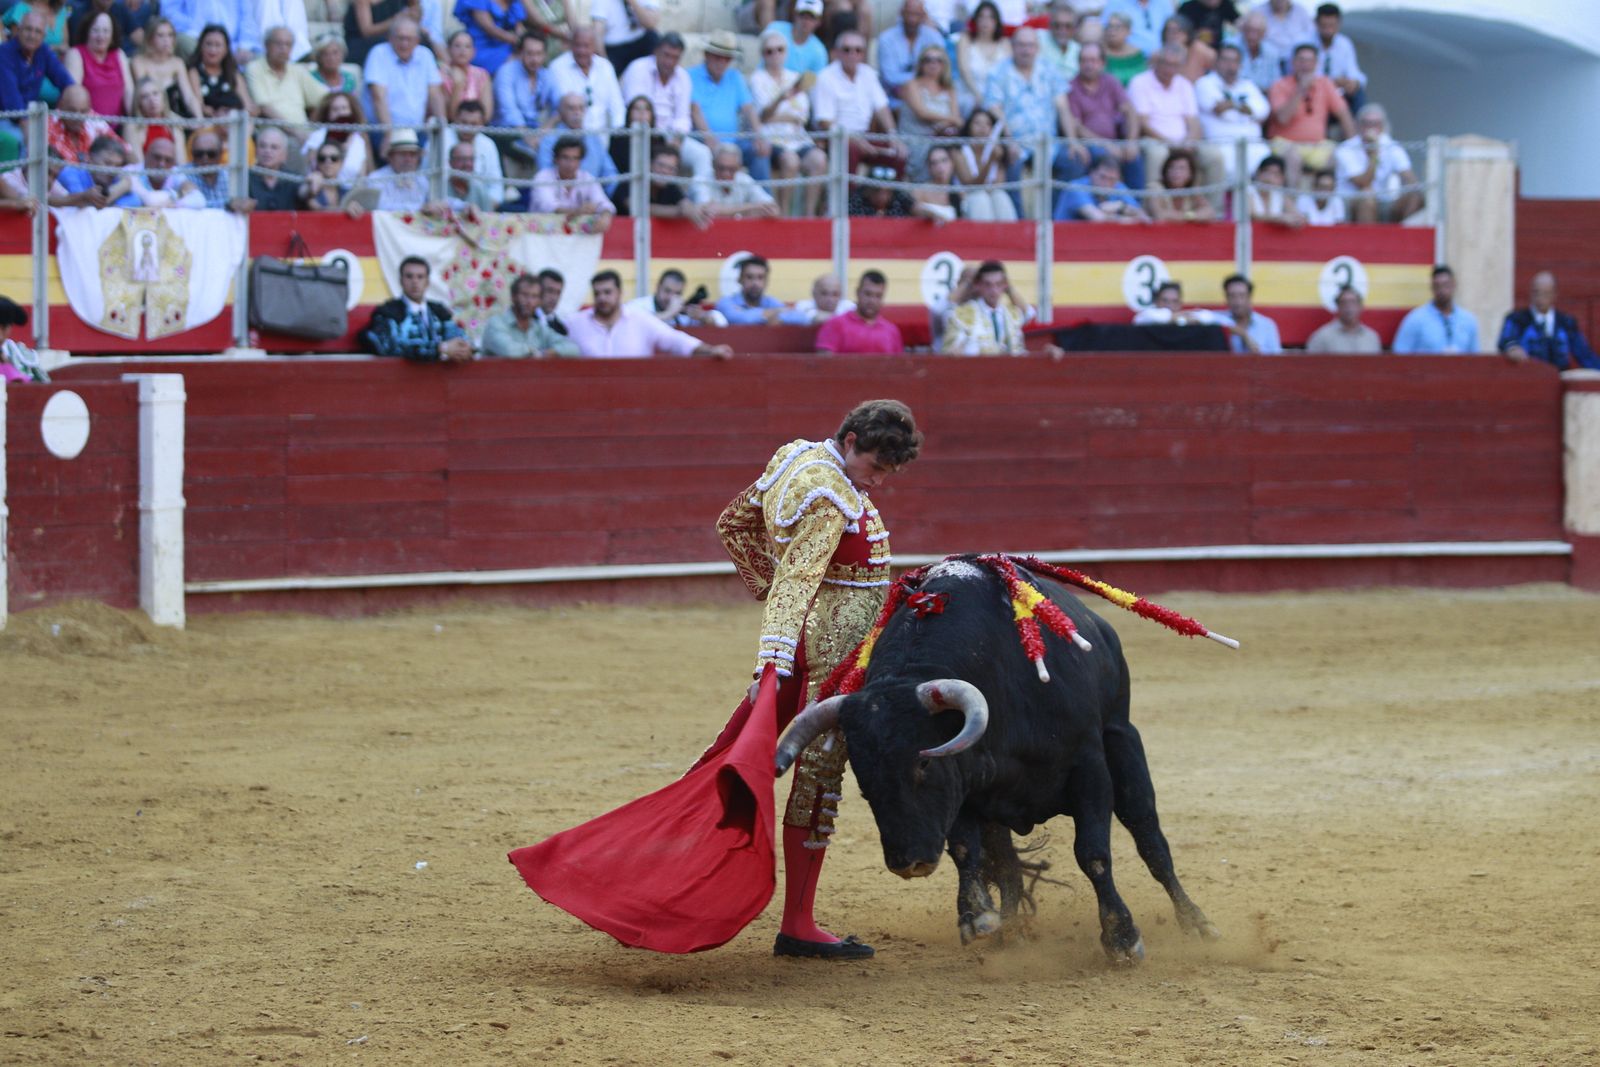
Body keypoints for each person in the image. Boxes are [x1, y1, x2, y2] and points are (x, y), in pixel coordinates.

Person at [712, 398, 922, 959]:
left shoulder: (796, 457)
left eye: (888, 473)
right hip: (831, 654)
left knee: (815, 772)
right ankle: (798, 924)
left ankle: (798, 919)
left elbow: (733, 525)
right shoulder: (829, 497)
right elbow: (798, 580)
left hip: (815, 637)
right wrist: (772, 659)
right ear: (850, 441)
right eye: (875, 467)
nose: (877, 482)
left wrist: (767, 587)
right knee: (820, 775)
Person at [568, 269, 733, 358]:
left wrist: (710, 350)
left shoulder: (638, 318)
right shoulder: (576, 322)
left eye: (607, 292)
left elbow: (676, 340)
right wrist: (670, 312)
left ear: (619, 293)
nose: (602, 298)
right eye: (597, 293)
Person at [1128, 44, 1222, 192]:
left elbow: (1193, 122)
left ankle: (1214, 206)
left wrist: (1189, 142)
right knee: (1157, 154)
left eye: (1174, 65)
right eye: (1165, 64)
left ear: (1181, 67)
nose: (1169, 69)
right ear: (1156, 62)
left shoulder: (1184, 85)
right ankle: (1153, 203)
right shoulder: (1140, 82)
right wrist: (1171, 144)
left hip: (1184, 142)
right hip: (1153, 139)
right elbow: (1143, 124)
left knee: (1214, 156)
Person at [622, 33, 713, 186]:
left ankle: (702, 199)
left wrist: (676, 140)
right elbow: (636, 109)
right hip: (642, 134)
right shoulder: (638, 68)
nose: (669, 62)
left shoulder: (683, 76)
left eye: (675, 57)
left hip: (671, 137)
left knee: (702, 154)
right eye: (666, 55)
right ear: (656, 52)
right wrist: (659, 141)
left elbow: (683, 117)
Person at [751, 32, 826, 215]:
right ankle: (784, 215)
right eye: (769, 51)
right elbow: (761, 117)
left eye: (780, 50)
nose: (775, 54)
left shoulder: (795, 77)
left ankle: (809, 216)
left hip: (797, 138)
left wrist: (776, 113)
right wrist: (781, 101)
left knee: (819, 159)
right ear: (763, 55)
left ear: (786, 52)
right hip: (772, 139)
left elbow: (802, 116)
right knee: (790, 161)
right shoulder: (757, 78)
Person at [814, 30, 905, 177]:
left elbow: (882, 108)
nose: (853, 54)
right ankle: (850, 193)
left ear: (863, 54)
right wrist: (856, 141)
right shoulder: (825, 76)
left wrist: (893, 136)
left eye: (858, 50)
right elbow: (825, 121)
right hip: (837, 138)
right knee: (850, 150)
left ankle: (891, 193)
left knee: (899, 153)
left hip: (866, 135)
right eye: (847, 50)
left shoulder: (869, 73)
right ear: (837, 53)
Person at [1266, 42, 1353, 185]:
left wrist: (1354, 145)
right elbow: (1282, 118)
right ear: (1293, 63)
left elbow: (1344, 115)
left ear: (1316, 64)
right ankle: (1292, 198)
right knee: (1293, 158)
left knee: (1343, 158)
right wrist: (1300, 89)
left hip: (1316, 145)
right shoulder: (1279, 85)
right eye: (1301, 60)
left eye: (1310, 61)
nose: (1305, 65)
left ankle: (1332, 199)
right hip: (1285, 143)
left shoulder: (1325, 84)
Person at [364, 254, 474, 362]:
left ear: (427, 282)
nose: (415, 282)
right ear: (401, 280)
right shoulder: (387, 312)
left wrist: (464, 347)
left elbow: (458, 337)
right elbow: (391, 347)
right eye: (409, 276)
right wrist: (441, 348)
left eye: (420, 277)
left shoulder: (439, 311)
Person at [690, 31, 768, 182]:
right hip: (703, 140)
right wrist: (709, 139)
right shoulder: (690, 76)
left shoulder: (735, 77)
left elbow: (749, 109)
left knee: (759, 151)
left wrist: (759, 136)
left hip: (734, 142)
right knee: (705, 154)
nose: (722, 62)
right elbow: (695, 110)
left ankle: (764, 196)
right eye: (717, 57)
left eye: (727, 58)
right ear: (707, 55)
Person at [1067, 42, 1145, 190]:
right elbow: (1076, 126)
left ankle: (1135, 201)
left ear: (1102, 63)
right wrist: (1105, 144)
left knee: (1134, 156)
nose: (1088, 65)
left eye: (1093, 61)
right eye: (1084, 60)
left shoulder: (1110, 82)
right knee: (1103, 155)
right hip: (1090, 144)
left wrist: (1131, 141)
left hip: (1116, 141)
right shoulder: (1072, 87)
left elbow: (1130, 111)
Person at [1333, 103, 1420, 224]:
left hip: (1382, 199)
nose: (1371, 128)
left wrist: (1410, 189)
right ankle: (1368, 236)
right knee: (1367, 195)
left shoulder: (1391, 146)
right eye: (1366, 123)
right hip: (1349, 201)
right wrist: (1374, 155)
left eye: (1376, 124)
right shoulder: (1346, 149)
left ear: (1383, 127)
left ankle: (1404, 233)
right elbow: (1364, 183)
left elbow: (1410, 178)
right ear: (1358, 126)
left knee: (1414, 193)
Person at [1194, 42, 1268, 181]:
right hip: (1221, 144)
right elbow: (1219, 109)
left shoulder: (1248, 85)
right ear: (1216, 62)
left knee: (1267, 167)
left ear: (1240, 65)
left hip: (1253, 145)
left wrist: (1230, 104)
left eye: (1235, 61)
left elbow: (1263, 111)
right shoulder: (1205, 83)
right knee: (1230, 170)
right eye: (1226, 60)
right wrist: (1243, 108)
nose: (1230, 65)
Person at [1498, 271, 1599, 371]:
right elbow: (1507, 340)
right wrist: (1512, 348)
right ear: (1530, 293)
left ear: (1554, 295)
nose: (1540, 298)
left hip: (1559, 376)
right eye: (1536, 292)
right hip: (1529, 376)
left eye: (1546, 294)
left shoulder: (1566, 322)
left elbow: (1584, 355)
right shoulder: (1517, 319)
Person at [365, 16, 445, 138]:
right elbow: (378, 97)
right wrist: (389, 135)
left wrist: (443, 129)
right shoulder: (378, 53)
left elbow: (435, 94)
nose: (404, 43)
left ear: (417, 40)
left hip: (418, 131)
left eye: (409, 39)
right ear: (390, 38)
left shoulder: (425, 55)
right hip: (382, 131)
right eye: (400, 38)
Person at [896, 45, 959, 181]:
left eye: (938, 60)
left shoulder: (950, 89)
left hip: (940, 141)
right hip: (914, 140)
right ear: (921, 63)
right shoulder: (911, 85)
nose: (933, 64)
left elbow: (958, 120)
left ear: (944, 64)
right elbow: (922, 113)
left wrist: (945, 124)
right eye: (928, 60)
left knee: (953, 152)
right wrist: (949, 120)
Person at [482, 272, 581, 357]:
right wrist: (537, 353)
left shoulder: (538, 328)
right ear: (513, 296)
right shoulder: (496, 323)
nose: (529, 301)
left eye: (534, 296)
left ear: (540, 301)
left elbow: (573, 348)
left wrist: (551, 352)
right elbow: (510, 351)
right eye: (525, 295)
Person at [245, 25, 327, 127]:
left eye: (288, 44)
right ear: (267, 45)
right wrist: (295, 132)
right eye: (278, 44)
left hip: (302, 130)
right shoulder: (255, 68)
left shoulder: (297, 71)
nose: (283, 49)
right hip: (271, 130)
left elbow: (325, 98)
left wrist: (312, 123)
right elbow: (264, 107)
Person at [941, 259, 1028, 355]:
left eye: (998, 284)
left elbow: (1029, 314)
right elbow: (951, 352)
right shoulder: (961, 315)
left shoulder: (1013, 314)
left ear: (1005, 285)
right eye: (987, 285)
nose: (993, 290)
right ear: (978, 285)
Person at [547, 26, 624, 131]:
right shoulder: (557, 67)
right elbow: (557, 108)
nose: (582, 51)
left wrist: (618, 132)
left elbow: (617, 106)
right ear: (571, 45)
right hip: (567, 135)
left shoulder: (605, 67)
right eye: (578, 45)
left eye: (586, 46)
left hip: (601, 135)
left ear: (594, 47)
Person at [530, 133, 616, 227]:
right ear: (556, 159)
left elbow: (604, 203)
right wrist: (578, 211)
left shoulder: (587, 178)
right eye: (565, 157)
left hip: (576, 235)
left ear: (581, 161)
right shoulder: (543, 177)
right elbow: (548, 206)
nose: (570, 164)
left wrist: (605, 216)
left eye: (575, 158)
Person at [1392, 265, 1479, 354]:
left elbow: (1475, 357)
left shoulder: (1468, 320)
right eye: (1437, 286)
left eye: (1446, 285)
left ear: (1454, 285)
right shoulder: (1415, 319)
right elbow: (1399, 354)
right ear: (1432, 288)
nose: (1442, 290)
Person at [131, 17, 204, 120]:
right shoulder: (139, 62)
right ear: (150, 39)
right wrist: (179, 122)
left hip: (177, 117)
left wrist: (200, 119)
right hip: (149, 118)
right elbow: (145, 96)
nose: (166, 40)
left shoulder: (177, 63)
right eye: (160, 35)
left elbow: (189, 97)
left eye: (170, 35)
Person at [65, 10, 134, 116]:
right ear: (87, 32)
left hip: (118, 123)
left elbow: (129, 92)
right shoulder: (76, 54)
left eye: (106, 31)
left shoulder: (119, 54)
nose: (101, 36)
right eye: (95, 30)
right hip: (86, 122)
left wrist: (133, 119)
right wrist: (98, 124)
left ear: (112, 35)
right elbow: (74, 96)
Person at [950, 107, 1015, 221]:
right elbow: (971, 185)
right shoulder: (959, 151)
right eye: (977, 123)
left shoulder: (997, 149)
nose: (982, 127)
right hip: (968, 200)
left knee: (1000, 196)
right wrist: (990, 160)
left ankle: (1009, 231)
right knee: (980, 197)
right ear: (969, 126)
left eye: (987, 124)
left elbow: (999, 184)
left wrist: (995, 157)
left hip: (990, 199)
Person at [876, 0, 946, 105]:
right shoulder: (886, 39)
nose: (912, 19)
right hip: (894, 97)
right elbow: (890, 77)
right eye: (909, 14)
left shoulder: (934, 37)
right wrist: (923, 77)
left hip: (928, 95)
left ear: (924, 16)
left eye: (916, 14)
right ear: (901, 13)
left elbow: (942, 70)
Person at [815, 271, 902, 354]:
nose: (872, 301)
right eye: (868, 294)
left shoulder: (891, 331)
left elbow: (899, 363)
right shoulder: (835, 325)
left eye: (878, 296)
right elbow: (824, 362)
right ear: (858, 292)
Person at [1053, 150, 1149, 222]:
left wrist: (1120, 207)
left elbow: (1143, 216)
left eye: (1112, 179)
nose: (1106, 183)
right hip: (1065, 238)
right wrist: (1121, 209)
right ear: (1091, 173)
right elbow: (1098, 218)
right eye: (1103, 177)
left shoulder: (1118, 186)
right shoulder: (1076, 188)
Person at [442, 97, 506, 204]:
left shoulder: (488, 145)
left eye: (473, 124)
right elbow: (435, 181)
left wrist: (484, 209)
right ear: (455, 119)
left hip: (481, 205)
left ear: (482, 124)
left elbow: (496, 187)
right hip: (445, 203)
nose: (467, 128)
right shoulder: (441, 139)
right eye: (464, 122)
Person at [188, 22, 257, 118]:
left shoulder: (233, 73)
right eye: (208, 44)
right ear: (201, 46)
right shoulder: (194, 72)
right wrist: (216, 114)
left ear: (226, 49)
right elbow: (200, 106)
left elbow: (247, 105)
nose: (213, 50)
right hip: (210, 122)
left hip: (236, 120)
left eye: (218, 45)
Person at [301, 91, 372, 184]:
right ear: (328, 114)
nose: (340, 113)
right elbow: (311, 166)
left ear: (352, 111)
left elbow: (362, 175)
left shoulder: (358, 140)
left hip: (351, 191)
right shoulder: (318, 136)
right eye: (335, 109)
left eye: (344, 108)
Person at [629, 143, 709, 226]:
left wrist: (694, 209)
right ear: (650, 165)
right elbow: (637, 207)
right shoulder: (634, 182)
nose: (665, 171)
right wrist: (680, 211)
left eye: (671, 168)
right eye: (660, 165)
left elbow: (685, 203)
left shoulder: (671, 186)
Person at [694, 142, 780, 219]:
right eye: (721, 168)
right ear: (713, 164)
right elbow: (707, 210)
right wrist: (753, 207)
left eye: (731, 169)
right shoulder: (701, 181)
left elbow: (773, 208)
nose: (726, 174)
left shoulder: (744, 180)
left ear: (739, 168)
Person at [116, 134, 205, 206]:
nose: (161, 164)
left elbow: (199, 200)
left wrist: (175, 204)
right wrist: (178, 195)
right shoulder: (130, 171)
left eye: (168, 160)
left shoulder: (175, 172)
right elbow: (150, 201)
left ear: (173, 163)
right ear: (146, 156)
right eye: (157, 157)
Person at [492, 31, 557, 127]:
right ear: (520, 53)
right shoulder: (506, 73)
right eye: (530, 53)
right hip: (506, 131)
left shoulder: (546, 75)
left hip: (536, 130)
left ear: (545, 55)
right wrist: (528, 135)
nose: (535, 59)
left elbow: (560, 106)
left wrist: (545, 130)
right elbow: (510, 113)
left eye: (539, 53)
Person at [47, 85, 126, 163]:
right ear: (60, 106)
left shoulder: (92, 118)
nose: (78, 117)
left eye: (83, 111)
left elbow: (125, 149)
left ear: (89, 109)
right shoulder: (48, 126)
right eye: (72, 110)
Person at [954, 1, 1008, 111]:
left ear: (997, 21)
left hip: (1000, 97)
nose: (985, 22)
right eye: (981, 17)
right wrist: (979, 96)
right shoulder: (966, 40)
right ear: (975, 20)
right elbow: (964, 72)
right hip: (971, 94)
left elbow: (1010, 73)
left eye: (990, 18)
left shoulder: (1004, 43)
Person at [360, 125, 430, 210]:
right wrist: (420, 208)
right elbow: (380, 207)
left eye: (412, 155)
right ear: (390, 157)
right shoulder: (375, 179)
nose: (408, 159)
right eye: (402, 154)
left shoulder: (422, 180)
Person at [455, 0, 530, 77]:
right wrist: (518, 41)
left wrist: (527, 42)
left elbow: (519, 28)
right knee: (517, 61)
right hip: (480, 47)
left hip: (505, 45)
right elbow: (490, 28)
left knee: (529, 55)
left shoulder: (513, 2)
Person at [1311, 3, 1363, 111]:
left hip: (1339, 91)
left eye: (1331, 26)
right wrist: (1332, 81)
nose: (1328, 31)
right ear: (1316, 23)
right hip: (1314, 91)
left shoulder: (1345, 44)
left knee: (1358, 93)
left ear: (1339, 24)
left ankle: (1361, 122)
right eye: (1324, 26)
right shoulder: (1305, 43)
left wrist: (1354, 82)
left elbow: (1353, 71)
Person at [625, 268, 720, 327]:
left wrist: (703, 317)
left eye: (677, 293)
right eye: (667, 291)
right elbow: (633, 322)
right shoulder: (638, 305)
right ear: (657, 287)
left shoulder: (683, 312)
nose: (671, 298)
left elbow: (720, 322)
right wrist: (669, 313)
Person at [590, 0, 660, 75]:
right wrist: (605, 64)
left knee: (653, 38)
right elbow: (597, 36)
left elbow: (650, 24)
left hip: (640, 41)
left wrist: (632, 2)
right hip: (614, 48)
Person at [1305, 284, 1381, 353]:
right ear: (1337, 307)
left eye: (1353, 302)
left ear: (1360, 306)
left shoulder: (1372, 337)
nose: (1348, 306)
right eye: (1344, 302)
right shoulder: (1322, 337)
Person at [715, 254, 787, 325]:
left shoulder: (771, 302)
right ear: (739, 279)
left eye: (760, 277)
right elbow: (739, 318)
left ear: (766, 281)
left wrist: (746, 312)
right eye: (749, 277)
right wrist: (773, 313)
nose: (755, 283)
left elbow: (791, 316)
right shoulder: (726, 302)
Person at [188, 127, 250, 209]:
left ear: (220, 154)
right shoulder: (182, 174)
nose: (205, 158)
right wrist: (228, 205)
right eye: (199, 154)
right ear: (192, 154)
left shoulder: (230, 177)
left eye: (211, 154)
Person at [1149, 148, 1215, 221]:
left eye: (1182, 168)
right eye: (1172, 167)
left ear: (1191, 174)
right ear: (1165, 171)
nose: (1176, 172)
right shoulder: (1155, 188)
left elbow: (1209, 213)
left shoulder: (1193, 189)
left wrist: (1188, 216)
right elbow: (1159, 215)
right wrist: (1193, 216)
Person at [1220, 273, 1281, 353]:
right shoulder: (1219, 320)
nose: (1237, 302)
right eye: (1232, 296)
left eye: (1242, 296)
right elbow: (1203, 316)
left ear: (1250, 297)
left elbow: (1276, 357)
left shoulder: (1267, 325)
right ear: (1226, 298)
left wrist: (1245, 336)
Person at [765, 0, 828, 76]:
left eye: (812, 17)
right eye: (802, 15)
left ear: (819, 21)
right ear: (795, 14)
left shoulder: (819, 52)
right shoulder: (774, 29)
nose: (806, 21)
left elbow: (815, 81)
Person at [441, 28, 493, 120]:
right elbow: (448, 116)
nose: (462, 50)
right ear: (448, 49)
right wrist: (458, 85)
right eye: (457, 46)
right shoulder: (440, 75)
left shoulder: (482, 75)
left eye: (467, 46)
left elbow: (486, 115)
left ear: (474, 51)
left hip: (477, 126)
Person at [1133, 279, 1225, 325]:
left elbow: (1209, 317)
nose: (1169, 305)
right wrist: (1181, 318)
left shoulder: (1187, 315)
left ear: (1180, 304)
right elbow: (1140, 319)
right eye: (1165, 300)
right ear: (1157, 302)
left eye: (1175, 301)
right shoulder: (1146, 316)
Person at [1248, 153, 1306, 226]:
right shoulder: (1248, 190)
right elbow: (1252, 215)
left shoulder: (1279, 194)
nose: (1270, 178)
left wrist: (1298, 219)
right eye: (1267, 172)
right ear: (1258, 173)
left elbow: (1297, 215)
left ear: (1282, 178)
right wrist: (1279, 218)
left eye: (1275, 174)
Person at [1101, 0, 1175, 56]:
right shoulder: (1116, 2)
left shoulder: (1164, 2)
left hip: (1161, 59)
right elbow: (1103, 29)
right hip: (1128, 57)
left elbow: (1172, 29)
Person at [1232, 8, 1280, 94]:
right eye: (1249, 30)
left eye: (1257, 31)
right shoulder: (1231, 47)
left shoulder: (1272, 52)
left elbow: (1276, 84)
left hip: (1263, 97)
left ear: (1264, 33)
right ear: (1242, 29)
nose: (1252, 36)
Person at [779, 272, 855, 326]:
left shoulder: (849, 306)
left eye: (835, 294)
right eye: (824, 293)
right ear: (814, 294)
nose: (830, 299)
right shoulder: (802, 306)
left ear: (841, 295)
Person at [910, 143, 958, 223]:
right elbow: (914, 210)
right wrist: (931, 214)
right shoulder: (921, 191)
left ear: (952, 163)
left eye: (944, 160)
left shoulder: (960, 192)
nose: (940, 167)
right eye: (934, 163)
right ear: (929, 168)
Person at [1100, 12, 1147, 86]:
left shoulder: (1137, 54)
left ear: (1128, 31)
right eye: (1109, 26)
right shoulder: (1099, 53)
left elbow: (1143, 79)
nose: (1112, 31)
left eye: (1117, 27)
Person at [848, 164, 914, 217]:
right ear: (867, 190)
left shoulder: (901, 201)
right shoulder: (856, 203)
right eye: (876, 190)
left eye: (887, 191)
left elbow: (916, 209)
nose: (882, 196)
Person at [1039, 2, 1081, 83]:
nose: (1062, 30)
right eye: (1057, 25)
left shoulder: (1078, 50)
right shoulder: (1038, 39)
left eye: (1068, 26)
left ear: (1075, 28)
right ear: (1050, 25)